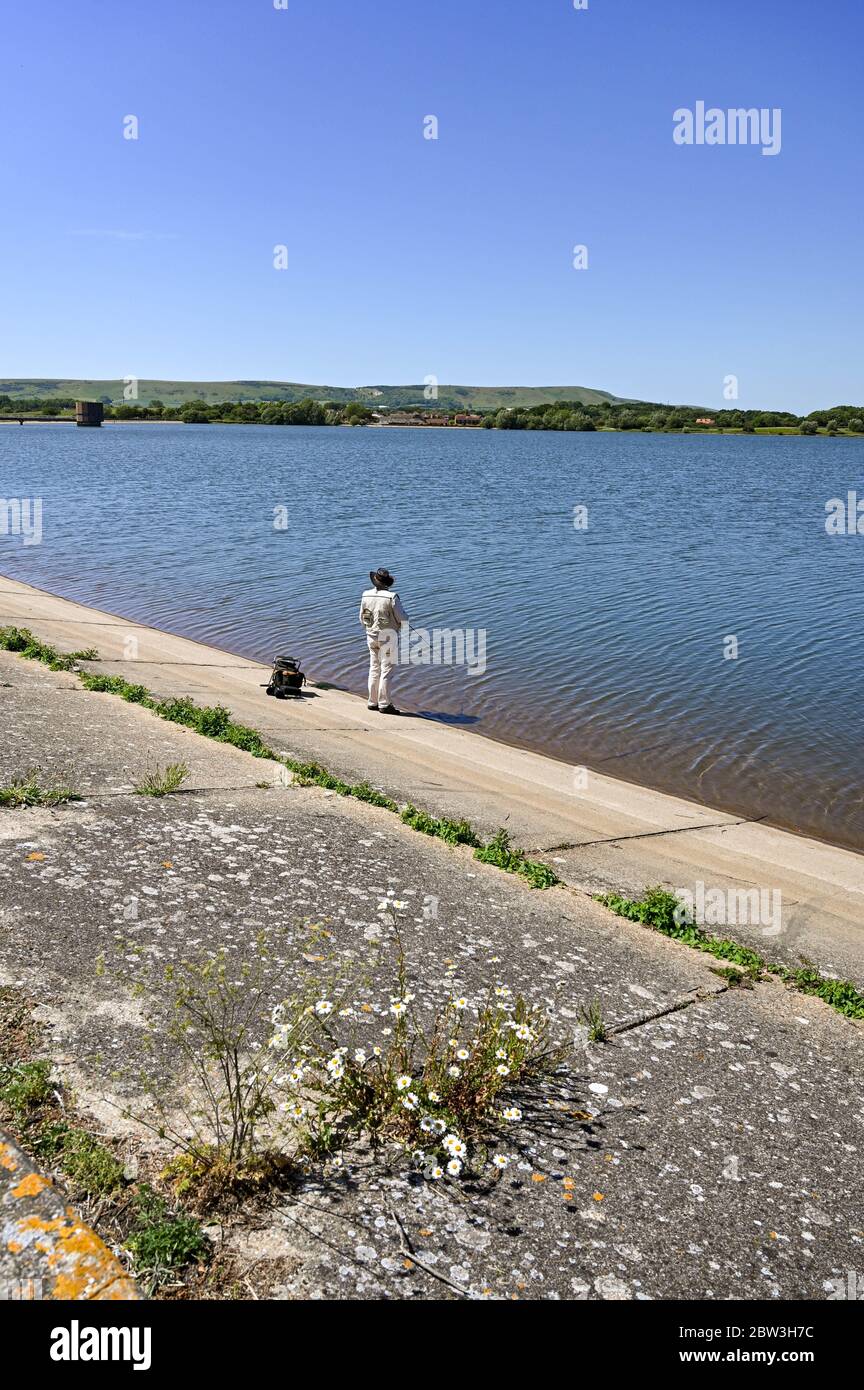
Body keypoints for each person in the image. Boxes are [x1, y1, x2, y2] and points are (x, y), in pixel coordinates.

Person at [359, 567, 409, 714]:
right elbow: (403, 618)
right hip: (388, 637)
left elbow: (362, 618)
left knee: (374, 668)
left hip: (371, 636)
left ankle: (372, 701)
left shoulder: (365, 595)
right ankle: (384, 704)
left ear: (375, 581)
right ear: (387, 583)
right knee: (386, 671)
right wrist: (402, 623)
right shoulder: (392, 597)